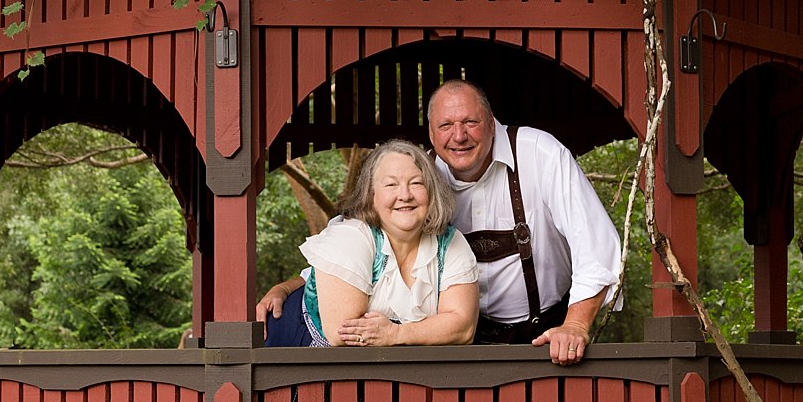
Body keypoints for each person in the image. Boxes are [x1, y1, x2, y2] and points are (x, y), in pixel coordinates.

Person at [259, 80, 621, 366]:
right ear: (431, 135)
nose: (458, 135)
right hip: (459, 344)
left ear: (492, 124)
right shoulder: (419, 177)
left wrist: (574, 326)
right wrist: (292, 286)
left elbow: (597, 248)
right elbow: (355, 237)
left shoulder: (540, 155)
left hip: (546, 336)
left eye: (470, 122)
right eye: (446, 125)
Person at [262, 138, 479, 347]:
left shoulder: (451, 242)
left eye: (416, 183)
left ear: (432, 193)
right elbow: (345, 334)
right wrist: (432, 329)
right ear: (371, 195)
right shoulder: (351, 237)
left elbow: (463, 328)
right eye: (391, 185)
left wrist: (396, 334)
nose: (404, 195)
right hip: (300, 348)